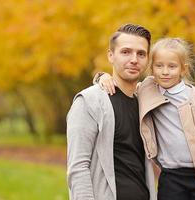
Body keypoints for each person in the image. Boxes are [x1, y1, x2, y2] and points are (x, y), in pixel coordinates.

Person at [96, 38, 195, 200]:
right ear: (152, 68)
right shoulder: (147, 90)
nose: (165, 72)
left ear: (183, 69)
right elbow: (123, 86)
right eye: (159, 66)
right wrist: (102, 77)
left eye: (172, 66)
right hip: (170, 177)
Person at [66, 24, 156, 200]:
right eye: (125, 52)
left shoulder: (146, 102)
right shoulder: (89, 101)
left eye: (141, 54)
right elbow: (78, 167)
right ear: (111, 55)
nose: (134, 59)